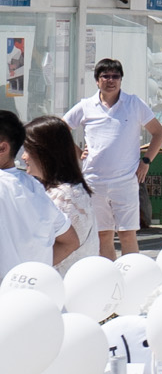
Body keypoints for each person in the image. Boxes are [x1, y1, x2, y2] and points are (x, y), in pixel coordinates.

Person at [64, 57, 162, 259]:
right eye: (105, 76)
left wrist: (146, 161)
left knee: (127, 234)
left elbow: (159, 133)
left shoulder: (134, 103)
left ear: (121, 79)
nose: (111, 80)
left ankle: (131, 277)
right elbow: (60, 128)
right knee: (103, 236)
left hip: (125, 181)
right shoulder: (86, 106)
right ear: (96, 80)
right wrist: (76, 152)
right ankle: (110, 280)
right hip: (94, 181)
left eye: (115, 76)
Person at [0, 111, 74, 275]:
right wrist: (34, 272)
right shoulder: (34, 186)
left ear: (2, 148)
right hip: (32, 290)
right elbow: (70, 240)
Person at [23, 114, 93, 273]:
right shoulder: (56, 190)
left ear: (45, 152)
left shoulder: (68, 197)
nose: (23, 157)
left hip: (62, 287)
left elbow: (62, 246)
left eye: (28, 150)